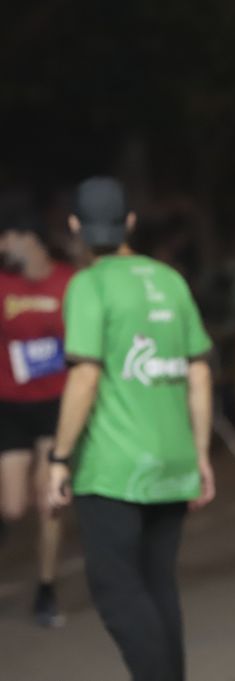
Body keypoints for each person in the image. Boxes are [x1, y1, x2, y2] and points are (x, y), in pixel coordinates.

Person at [47, 177, 215, 681]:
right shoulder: (169, 279)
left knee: (117, 591)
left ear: (74, 226)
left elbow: (84, 374)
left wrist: (59, 457)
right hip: (173, 459)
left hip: (114, 468)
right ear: (131, 223)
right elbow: (199, 370)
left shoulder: (88, 284)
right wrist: (201, 452)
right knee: (157, 584)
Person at [0, 212, 74, 626]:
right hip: (9, 403)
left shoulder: (67, 282)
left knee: (49, 499)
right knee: (12, 508)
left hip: (54, 402)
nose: (3, 243)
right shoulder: (2, 284)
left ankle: (46, 589)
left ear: (31, 239)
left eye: (7, 235)